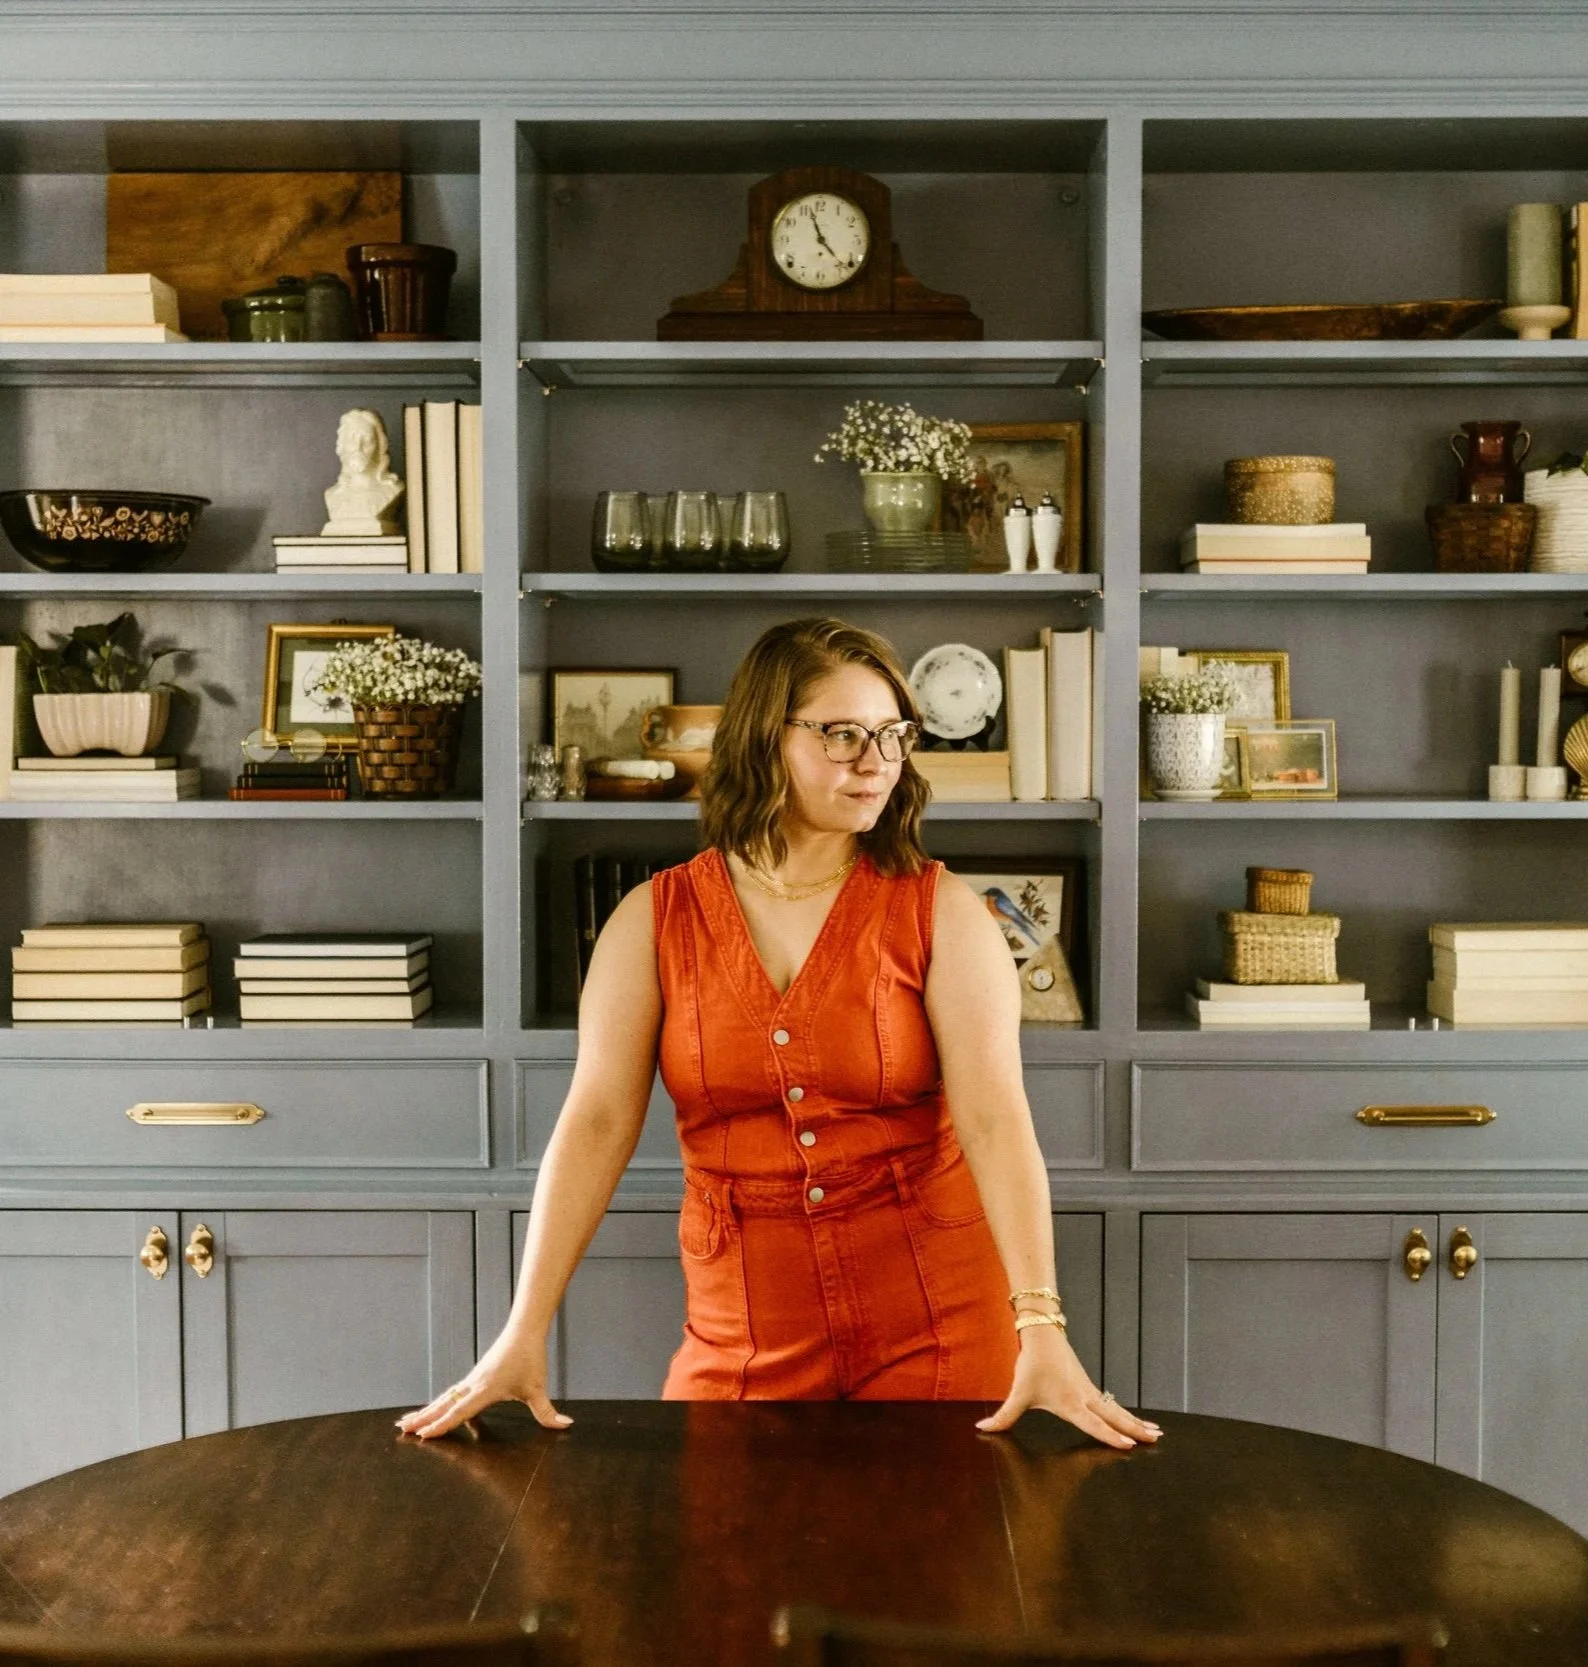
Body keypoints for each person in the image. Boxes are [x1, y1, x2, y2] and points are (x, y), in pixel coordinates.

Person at [397, 618, 1160, 1451]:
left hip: (938, 1325)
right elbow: (596, 1123)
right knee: (731, 1575)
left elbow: (993, 1119)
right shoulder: (650, 922)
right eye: (841, 734)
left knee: (946, 1574)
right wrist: (522, 1329)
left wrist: (1039, 1324)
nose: (875, 760)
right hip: (742, 1334)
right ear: (765, 738)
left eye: (893, 734)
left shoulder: (944, 914)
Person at [321, 407, 402, 535]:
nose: (358, 447)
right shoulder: (333, 496)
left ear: (379, 446)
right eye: (352, 439)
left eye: (367, 440)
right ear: (342, 444)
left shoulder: (392, 491)